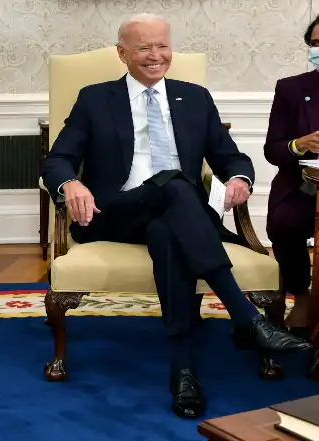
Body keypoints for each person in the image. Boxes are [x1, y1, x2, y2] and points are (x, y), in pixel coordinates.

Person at [41, 14, 311, 419]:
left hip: (177, 218)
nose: (156, 55)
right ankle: (245, 316)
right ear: (122, 54)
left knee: (169, 228)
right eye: (144, 48)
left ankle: (183, 371)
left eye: (162, 46)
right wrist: (70, 186)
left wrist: (239, 178)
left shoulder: (194, 96)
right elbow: (58, 159)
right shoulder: (95, 98)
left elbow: (231, 156)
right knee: (175, 183)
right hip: (115, 213)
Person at [264, 15, 319, 338]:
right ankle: (301, 295)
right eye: (314, 44)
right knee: (284, 222)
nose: (318, 49)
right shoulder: (292, 88)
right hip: (303, 186)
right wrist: (299, 145)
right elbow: (273, 148)